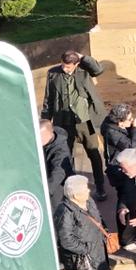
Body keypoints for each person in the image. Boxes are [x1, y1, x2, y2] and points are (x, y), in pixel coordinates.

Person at [43, 51, 108, 199]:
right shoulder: (53, 74)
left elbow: (98, 69)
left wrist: (83, 57)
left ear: (76, 64)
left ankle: (100, 187)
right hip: (63, 122)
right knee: (65, 155)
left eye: (68, 67)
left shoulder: (84, 71)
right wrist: (45, 120)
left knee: (93, 152)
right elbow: (48, 98)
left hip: (87, 121)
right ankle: (68, 187)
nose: (64, 69)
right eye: (63, 65)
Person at [55, 173, 112, 270]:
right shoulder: (65, 211)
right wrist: (85, 249)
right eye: (85, 188)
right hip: (80, 257)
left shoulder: (89, 201)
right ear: (75, 194)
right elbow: (66, 239)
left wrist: (104, 230)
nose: (88, 190)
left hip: (96, 249)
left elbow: (98, 217)